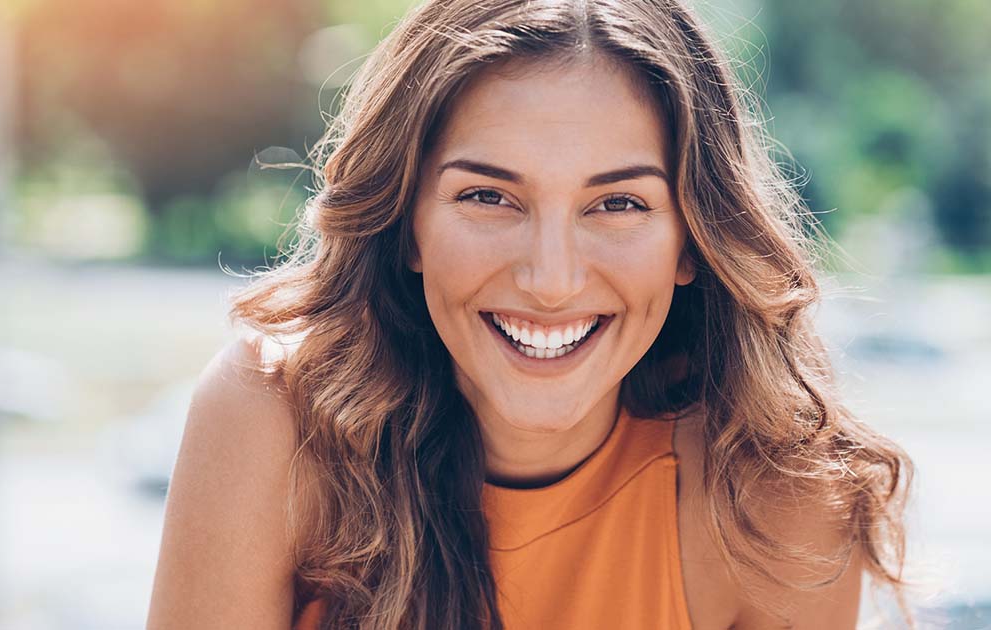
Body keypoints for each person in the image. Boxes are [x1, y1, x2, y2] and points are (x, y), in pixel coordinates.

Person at [146, 1, 914, 628]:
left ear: (692, 241)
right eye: (488, 197)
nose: (551, 280)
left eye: (618, 203)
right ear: (407, 222)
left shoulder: (779, 498)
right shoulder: (271, 417)